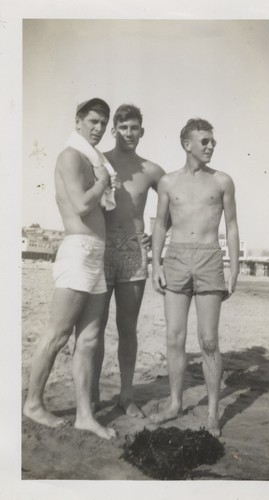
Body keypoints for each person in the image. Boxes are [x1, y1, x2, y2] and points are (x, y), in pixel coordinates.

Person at [23, 98, 117, 439]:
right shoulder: (71, 156)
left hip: (95, 254)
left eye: (103, 124)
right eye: (93, 121)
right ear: (78, 121)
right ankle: (33, 403)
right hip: (77, 251)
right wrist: (104, 181)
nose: (98, 128)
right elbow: (80, 204)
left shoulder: (93, 161)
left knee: (89, 339)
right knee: (58, 334)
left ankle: (84, 415)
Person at [150, 118, 239, 436]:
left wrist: (234, 266)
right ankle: (174, 404)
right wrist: (156, 264)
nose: (211, 146)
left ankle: (213, 412)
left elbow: (231, 225)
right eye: (205, 141)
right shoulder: (168, 183)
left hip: (209, 259)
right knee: (174, 338)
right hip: (175, 259)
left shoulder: (222, 181)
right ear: (187, 144)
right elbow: (160, 224)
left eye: (213, 141)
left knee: (209, 341)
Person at [91, 104, 167, 418]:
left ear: (141, 131)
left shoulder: (151, 169)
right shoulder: (99, 160)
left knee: (127, 328)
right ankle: (92, 393)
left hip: (134, 250)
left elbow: (174, 203)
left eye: (134, 128)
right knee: (94, 327)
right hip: (102, 247)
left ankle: (126, 394)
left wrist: (158, 232)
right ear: (114, 130)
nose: (129, 134)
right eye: (123, 128)